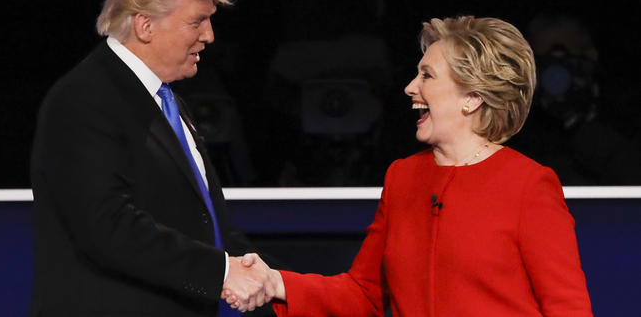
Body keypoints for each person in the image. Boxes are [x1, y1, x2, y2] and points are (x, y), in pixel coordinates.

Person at [224, 16, 593, 316]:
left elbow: (568, 308)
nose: (410, 87)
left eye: (427, 75)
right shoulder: (403, 177)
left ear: (473, 98)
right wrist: (275, 283)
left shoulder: (529, 184)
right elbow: (363, 292)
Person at [30, 0, 275, 316]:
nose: (209, 36)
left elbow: (203, 224)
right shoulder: (84, 98)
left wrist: (269, 278)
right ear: (145, 26)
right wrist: (223, 272)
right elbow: (108, 227)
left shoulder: (167, 101)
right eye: (197, 22)